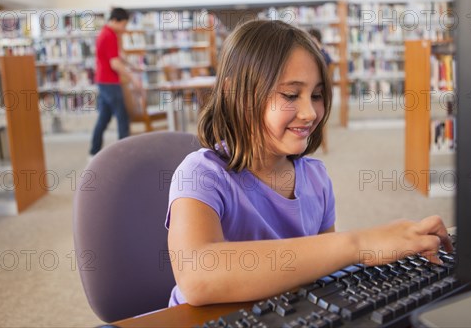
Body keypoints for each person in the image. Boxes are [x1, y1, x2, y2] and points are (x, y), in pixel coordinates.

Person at [166, 20, 452, 307]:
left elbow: (326, 267)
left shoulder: (316, 177)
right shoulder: (201, 174)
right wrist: (359, 244)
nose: (310, 112)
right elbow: (197, 276)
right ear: (236, 95)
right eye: (290, 95)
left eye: (316, 95)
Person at [89, 7, 143, 156]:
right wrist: (133, 79)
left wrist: (133, 67)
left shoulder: (106, 33)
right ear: (115, 21)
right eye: (123, 25)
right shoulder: (109, 35)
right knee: (122, 117)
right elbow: (115, 63)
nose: (124, 29)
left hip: (103, 81)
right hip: (109, 82)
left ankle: (93, 152)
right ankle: (125, 153)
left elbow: (117, 56)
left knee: (104, 119)